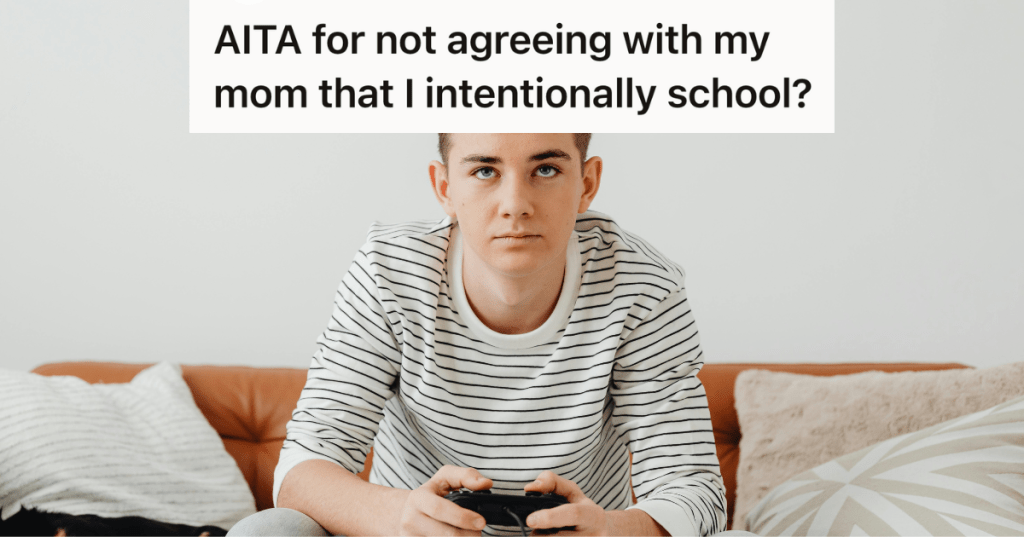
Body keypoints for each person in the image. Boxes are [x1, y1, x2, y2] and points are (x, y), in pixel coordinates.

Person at [227, 134, 727, 536]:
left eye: (545, 170)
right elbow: (302, 468)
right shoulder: (389, 271)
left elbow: (693, 489)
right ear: (445, 187)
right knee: (269, 531)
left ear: (587, 183)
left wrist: (611, 532)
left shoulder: (643, 285)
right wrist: (401, 519)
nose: (515, 205)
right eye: (485, 171)